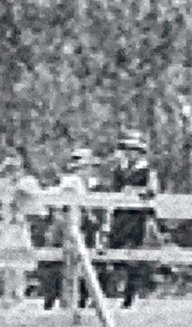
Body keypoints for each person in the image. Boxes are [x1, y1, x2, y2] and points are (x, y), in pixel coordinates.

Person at [0, 150, 42, 305]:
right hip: (1, 225)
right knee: (2, 262)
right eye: (8, 168)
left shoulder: (28, 182)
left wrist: (17, 189)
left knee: (18, 261)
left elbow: (33, 201)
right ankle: (7, 294)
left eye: (14, 167)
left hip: (17, 225)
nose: (11, 171)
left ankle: (18, 294)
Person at [40, 147, 100, 310]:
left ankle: (79, 300)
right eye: (84, 167)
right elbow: (66, 202)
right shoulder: (71, 181)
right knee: (59, 263)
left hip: (80, 225)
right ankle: (54, 299)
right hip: (66, 223)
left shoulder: (89, 183)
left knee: (82, 262)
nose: (87, 171)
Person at [105, 131, 161, 308]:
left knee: (135, 257)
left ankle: (129, 296)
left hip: (137, 217)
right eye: (127, 149)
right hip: (120, 216)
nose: (130, 153)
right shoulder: (119, 171)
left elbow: (152, 192)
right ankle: (112, 293)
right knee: (114, 255)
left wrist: (137, 193)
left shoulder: (147, 171)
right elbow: (113, 192)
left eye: (133, 149)